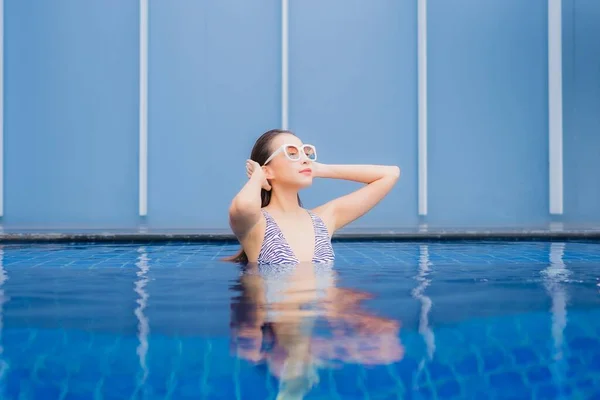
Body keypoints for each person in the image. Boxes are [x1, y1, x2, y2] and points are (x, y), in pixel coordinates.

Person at [225, 129, 400, 264]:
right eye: (292, 153)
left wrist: (318, 168)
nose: (304, 158)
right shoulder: (256, 223)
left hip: (320, 310)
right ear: (267, 170)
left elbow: (390, 174)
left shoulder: (323, 219)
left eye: (306, 152)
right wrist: (257, 177)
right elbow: (243, 206)